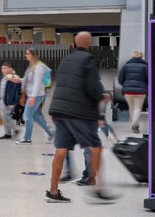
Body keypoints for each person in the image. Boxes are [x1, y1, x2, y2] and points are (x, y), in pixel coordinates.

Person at [46, 32, 117, 204]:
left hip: (58, 110)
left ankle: (53, 191)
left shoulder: (65, 59)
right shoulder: (88, 60)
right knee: (96, 147)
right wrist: (103, 96)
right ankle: (97, 188)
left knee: (61, 150)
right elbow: (93, 88)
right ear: (89, 42)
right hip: (77, 112)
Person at [18, 49, 53, 145]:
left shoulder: (38, 67)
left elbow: (37, 83)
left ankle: (27, 138)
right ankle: (51, 133)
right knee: (36, 116)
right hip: (34, 95)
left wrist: (32, 97)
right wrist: (18, 80)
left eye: (28, 53)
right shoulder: (31, 67)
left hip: (36, 95)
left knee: (27, 116)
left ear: (33, 55)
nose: (26, 55)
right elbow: (28, 81)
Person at [117, 51, 149, 134]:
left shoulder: (126, 66)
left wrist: (125, 85)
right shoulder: (145, 66)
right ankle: (135, 125)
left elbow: (120, 79)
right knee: (137, 108)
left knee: (131, 107)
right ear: (142, 57)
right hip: (141, 90)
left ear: (132, 56)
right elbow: (149, 79)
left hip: (128, 91)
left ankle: (134, 125)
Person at [0, 62, 22, 140]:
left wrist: (13, 78)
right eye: (2, 68)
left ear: (10, 69)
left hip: (8, 101)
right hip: (3, 100)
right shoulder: (4, 77)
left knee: (5, 116)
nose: (3, 70)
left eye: (5, 68)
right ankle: (8, 133)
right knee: (5, 116)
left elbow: (19, 80)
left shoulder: (12, 76)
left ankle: (14, 130)